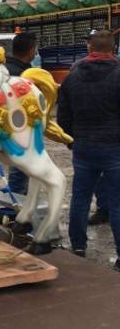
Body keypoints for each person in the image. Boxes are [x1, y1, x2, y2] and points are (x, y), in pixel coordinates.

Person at [57, 30, 120, 270]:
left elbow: (63, 114)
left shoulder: (72, 77)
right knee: (117, 202)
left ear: (89, 49)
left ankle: (78, 246)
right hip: (114, 147)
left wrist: (71, 140)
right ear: (113, 49)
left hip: (83, 146)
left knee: (80, 198)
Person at [5, 32, 38, 195]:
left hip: (7, 126)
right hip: (20, 128)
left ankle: (18, 202)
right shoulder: (24, 75)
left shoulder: (4, 69)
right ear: (31, 51)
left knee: (19, 169)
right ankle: (16, 208)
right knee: (20, 171)